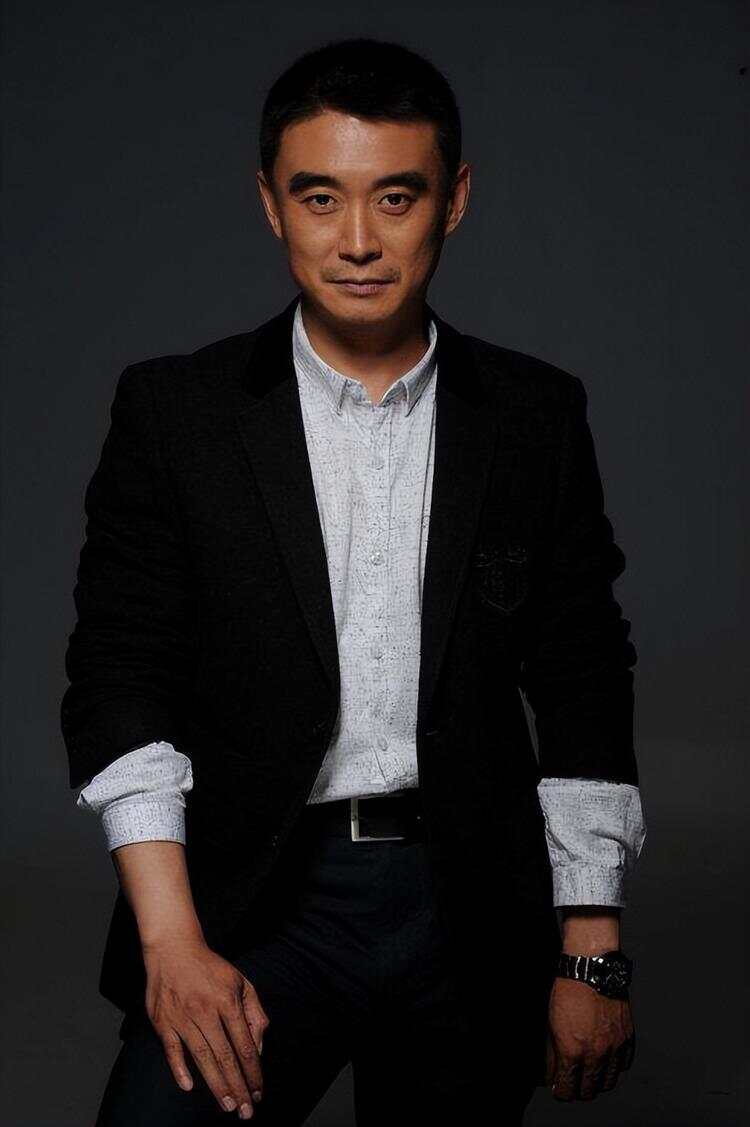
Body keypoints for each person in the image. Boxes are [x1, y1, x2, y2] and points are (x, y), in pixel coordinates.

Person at [61, 36, 647, 1126]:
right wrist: (170, 938)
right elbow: (119, 675)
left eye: (398, 197)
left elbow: (581, 672)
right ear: (271, 203)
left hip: (466, 906)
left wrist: (591, 943)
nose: (360, 241)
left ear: (454, 200)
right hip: (253, 901)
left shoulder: (533, 417)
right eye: (321, 197)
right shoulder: (177, 413)